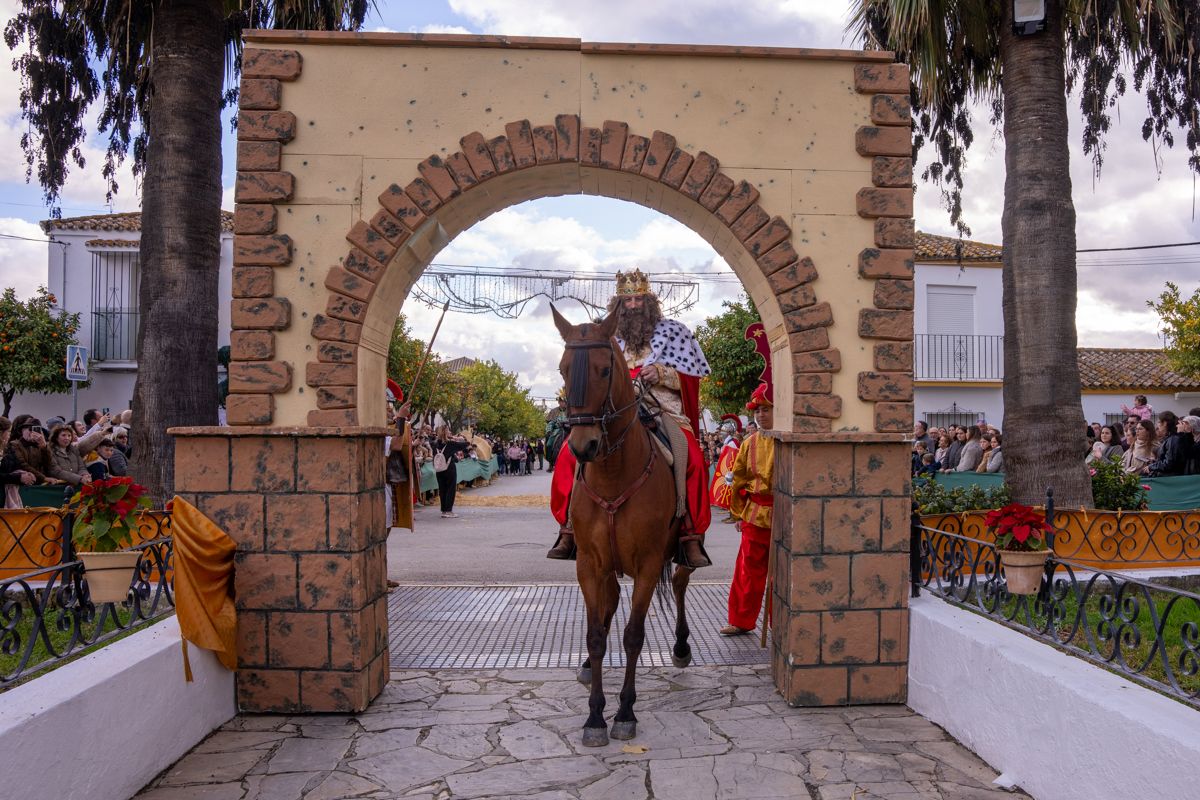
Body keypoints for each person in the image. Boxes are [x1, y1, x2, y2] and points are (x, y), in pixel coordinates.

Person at [548, 268, 713, 568]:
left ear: (649, 303)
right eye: (628, 301)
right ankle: (568, 528)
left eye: (639, 300)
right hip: (613, 410)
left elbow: (692, 379)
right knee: (568, 455)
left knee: (690, 456)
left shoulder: (674, 332)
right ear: (618, 305)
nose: (633, 305)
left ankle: (690, 534)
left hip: (660, 407)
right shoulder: (603, 336)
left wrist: (661, 373)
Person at [721, 382, 775, 636]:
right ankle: (741, 620)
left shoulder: (787, 440)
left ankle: (779, 622)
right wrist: (738, 513)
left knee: (781, 575)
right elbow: (739, 480)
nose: (761, 415)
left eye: (766, 409)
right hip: (754, 516)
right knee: (747, 572)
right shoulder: (749, 442)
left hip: (783, 516)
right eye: (757, 411)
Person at [431, 425, 471, 518]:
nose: (450, 432)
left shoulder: (434, 444)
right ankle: (448, 510)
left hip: (439, 469)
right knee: (450, 489)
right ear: (445, 432)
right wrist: (457, 438)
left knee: (442, 489)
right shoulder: (450, 443)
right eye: (448, 430)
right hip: (449, 468)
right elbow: (466, 444)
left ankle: (444, 510)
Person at [709, 414, 743, 523]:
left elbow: (732, 458)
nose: (720, 434)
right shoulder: (728, 442)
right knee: (728, 494)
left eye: (722, 432)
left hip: (731, 472)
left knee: (731, 494)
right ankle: (731, 514)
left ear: (728, 432)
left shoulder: (732, 442)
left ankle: (734, 516)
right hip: (728, 472)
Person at [6, 418, 58, 485]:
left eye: (37, 430)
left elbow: (49, 465)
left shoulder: (40, 445)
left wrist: (44, 448)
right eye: (30, 429)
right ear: (23, 430)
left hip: (40, 483)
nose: (33, 433)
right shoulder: (14, 445)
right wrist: (43, 478)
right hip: (24, 484)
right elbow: (22, 465)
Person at [1146, 411, 1190, 477]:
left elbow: (1170, 463)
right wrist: (1154, 462)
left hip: (1170, 478)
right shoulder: (1171, 438)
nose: (1157, 425)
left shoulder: (1173, 439)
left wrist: (1151, 466)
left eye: (1159, 422)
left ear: (1165, 423)